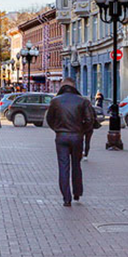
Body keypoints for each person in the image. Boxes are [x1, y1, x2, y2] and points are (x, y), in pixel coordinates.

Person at [45, 78, 95, 206]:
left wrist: (57, 129)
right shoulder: (83, 101)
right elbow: (90, 120)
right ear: (74, 86)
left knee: (63, 166)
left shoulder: (55, 101)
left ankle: (66, 198)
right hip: (77, 136)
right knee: (76, 165)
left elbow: (49, 119)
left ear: (62, 86)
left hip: (61, 136)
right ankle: (77, 192)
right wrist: (82, 130)